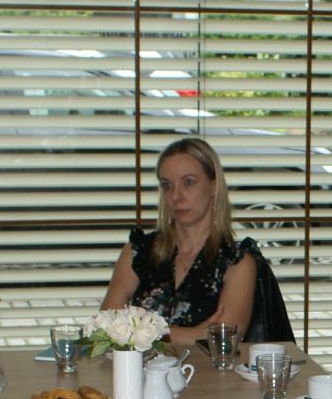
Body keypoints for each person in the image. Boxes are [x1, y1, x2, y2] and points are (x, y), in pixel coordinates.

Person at [101, 137, 260, 349]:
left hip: (207, 372)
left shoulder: (237, 262)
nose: (176, 196)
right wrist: (194, 334)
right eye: (167, 185)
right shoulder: (138, 252)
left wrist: (138, 332)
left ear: (214, 186)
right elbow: (104, 328)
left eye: (188, 182)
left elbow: (223, 340)